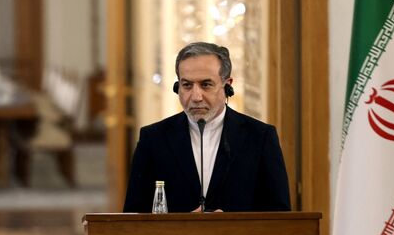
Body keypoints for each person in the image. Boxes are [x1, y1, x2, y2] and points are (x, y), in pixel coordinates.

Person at [123, 42, 290, 213]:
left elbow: (279, 215)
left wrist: (230, 228)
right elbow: (133, 215)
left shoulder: (260, 137)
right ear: (177, 87)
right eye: (187, 85)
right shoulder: (153, 139)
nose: (196, 96)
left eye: (206, 85)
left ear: (227, 86)